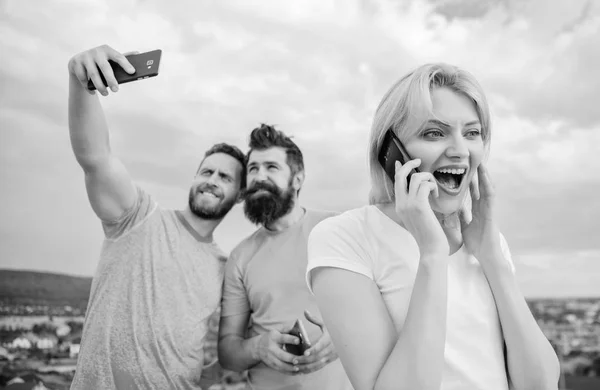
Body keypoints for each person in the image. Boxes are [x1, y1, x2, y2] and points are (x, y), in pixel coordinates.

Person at [306, 64, 561, 390]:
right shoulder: (345, 237)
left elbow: (540, 384)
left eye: (472, 133)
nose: (459, 151)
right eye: (434, 133)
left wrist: (494, 261)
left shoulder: (486, 243)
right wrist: (432, 254)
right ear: (391, 152)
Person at [67, 44, 246, 389]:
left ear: (239, 196)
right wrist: (80, 84)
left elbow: (228, 350)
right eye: (206, 171)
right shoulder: (138, 219)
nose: (212, 181)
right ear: (194, 177)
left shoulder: (226, 268)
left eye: (225, 177)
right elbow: (96, 158)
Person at [217, 124, 353, 390]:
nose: (259, 176)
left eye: (272, 167)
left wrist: (345, 338)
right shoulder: (240, 257)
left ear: (298, 178)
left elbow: (386, 309)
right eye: (253, 169)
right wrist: (257, 346)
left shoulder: (337, 229)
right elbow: (228, 352)